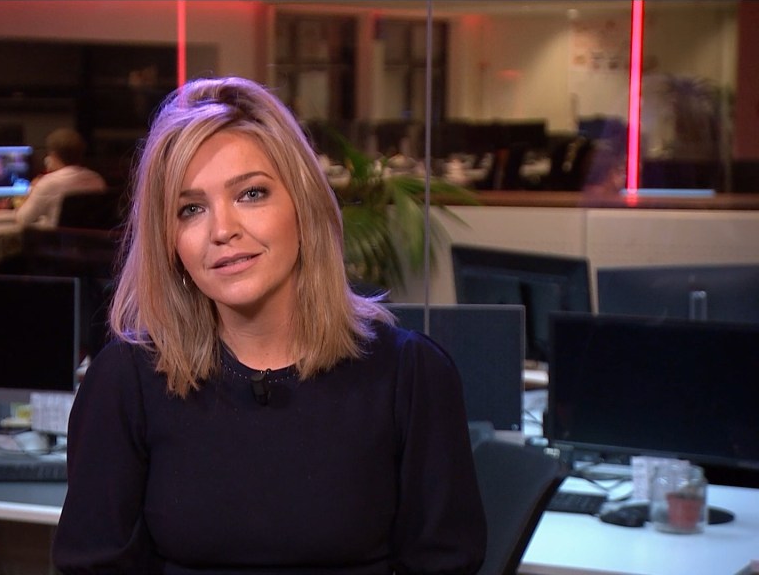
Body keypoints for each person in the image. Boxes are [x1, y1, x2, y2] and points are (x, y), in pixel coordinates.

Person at [51, 76, 486, 574]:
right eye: (191, 209)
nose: (222, 230)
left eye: (251, 194)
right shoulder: (125, 383)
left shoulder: (411, 375)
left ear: (303, 205)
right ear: (170, 243)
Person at [15, 127, 106, 226]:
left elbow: (23, 219)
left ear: (53, 156)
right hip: (87, 236)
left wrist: (32, 191)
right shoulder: (97, 179)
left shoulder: (48, 183)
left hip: (54, 236)